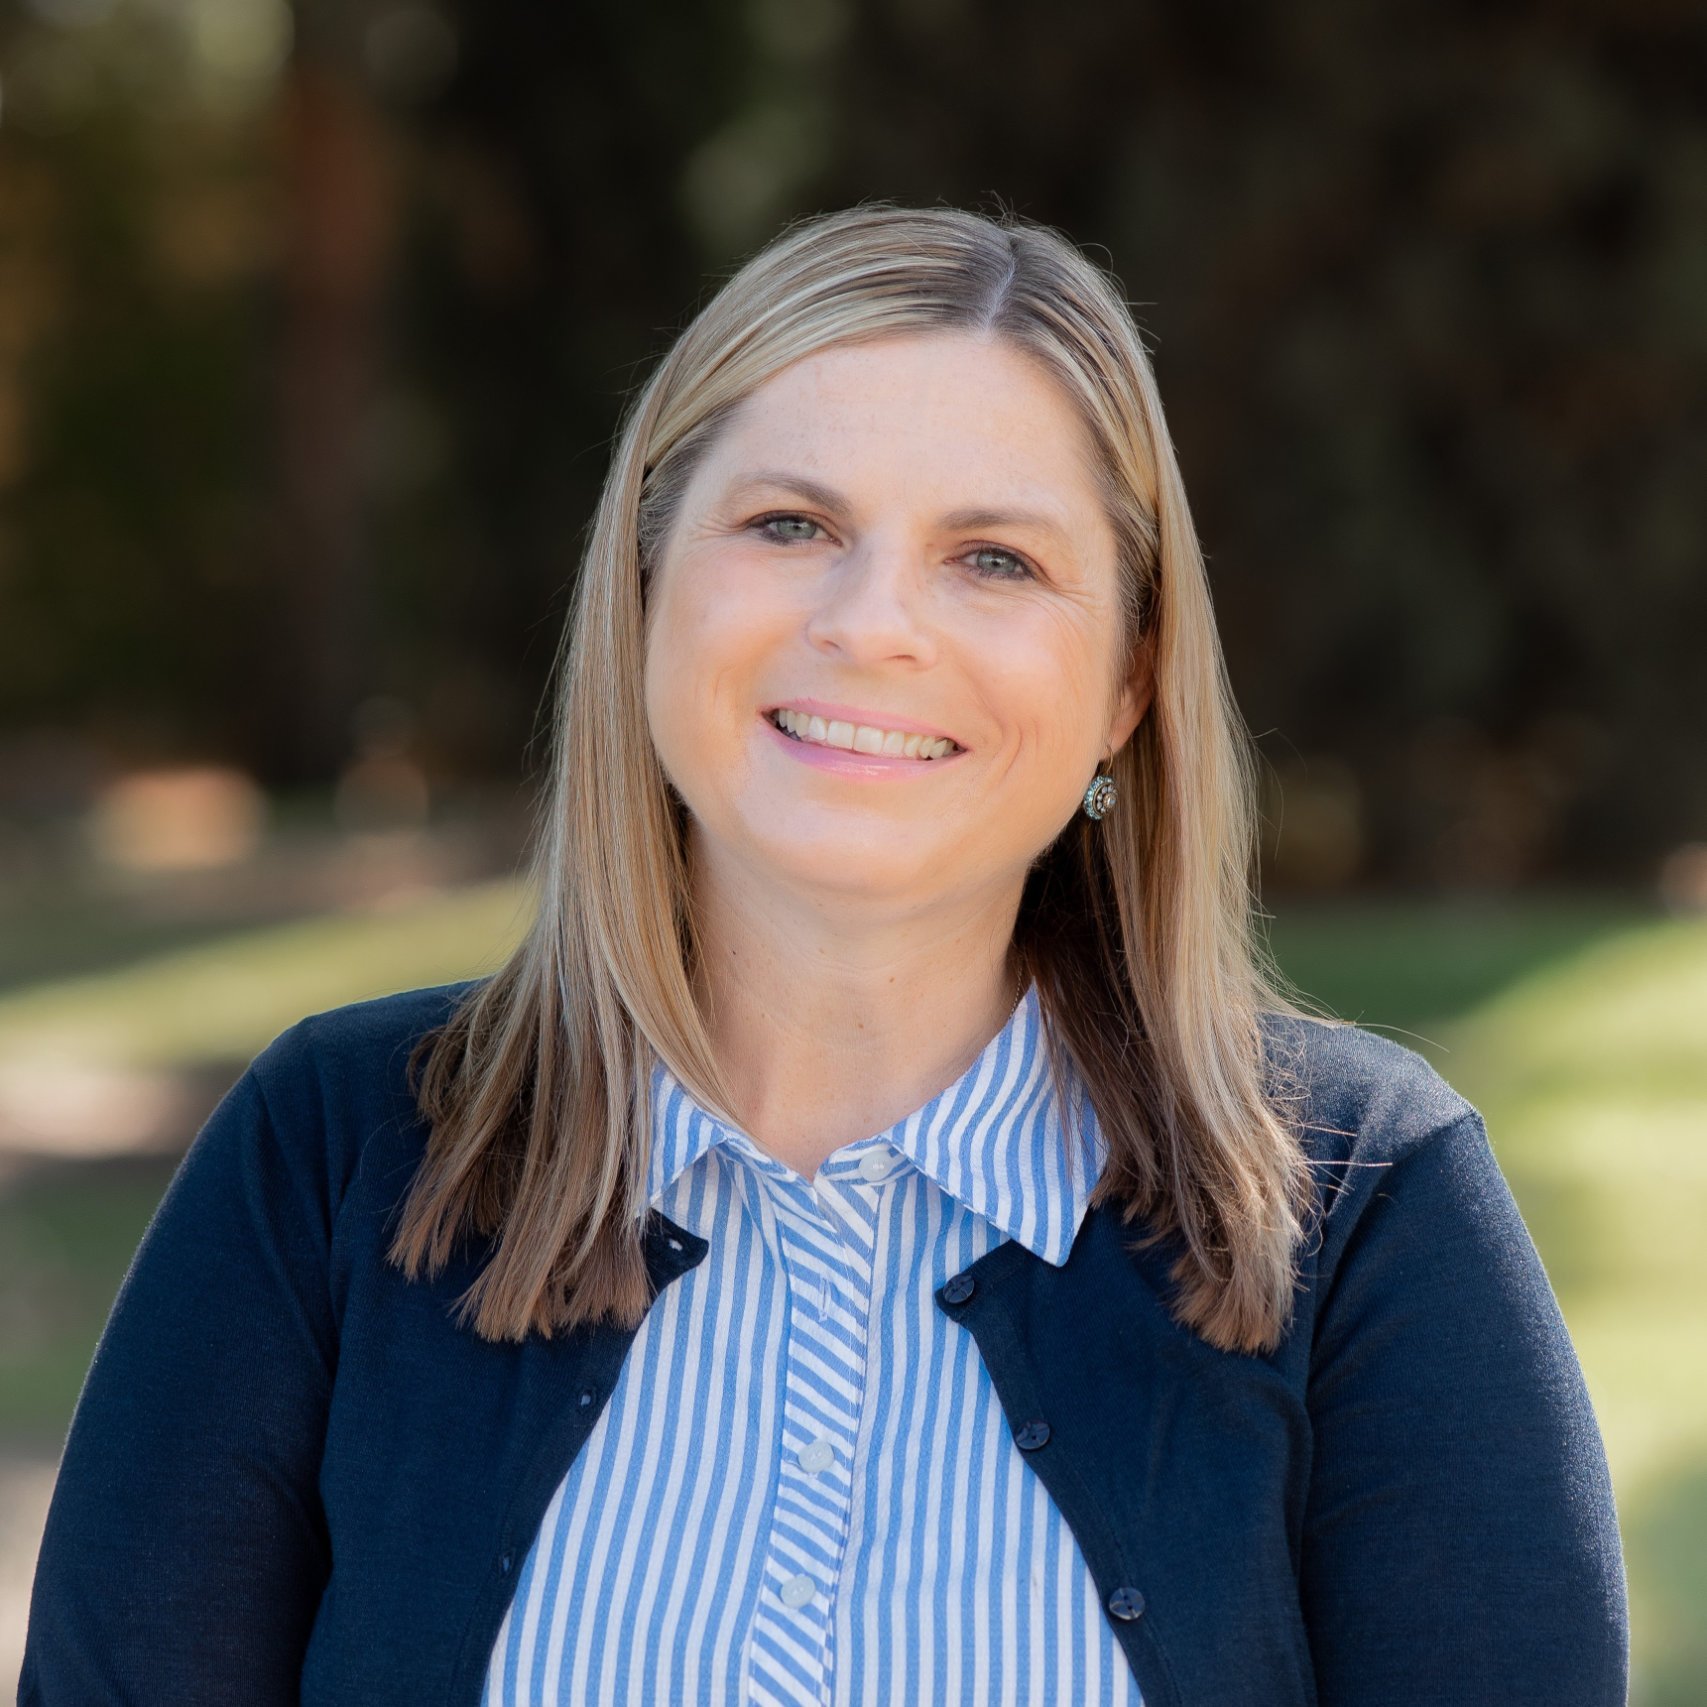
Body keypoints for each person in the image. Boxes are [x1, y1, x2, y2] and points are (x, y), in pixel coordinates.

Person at [19, 202, 1627, 1707]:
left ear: (1129, 687)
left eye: (994, 558)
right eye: (790, 523)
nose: (873, 623)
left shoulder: (1360, 1208)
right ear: (644, 600)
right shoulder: (332, 1157)